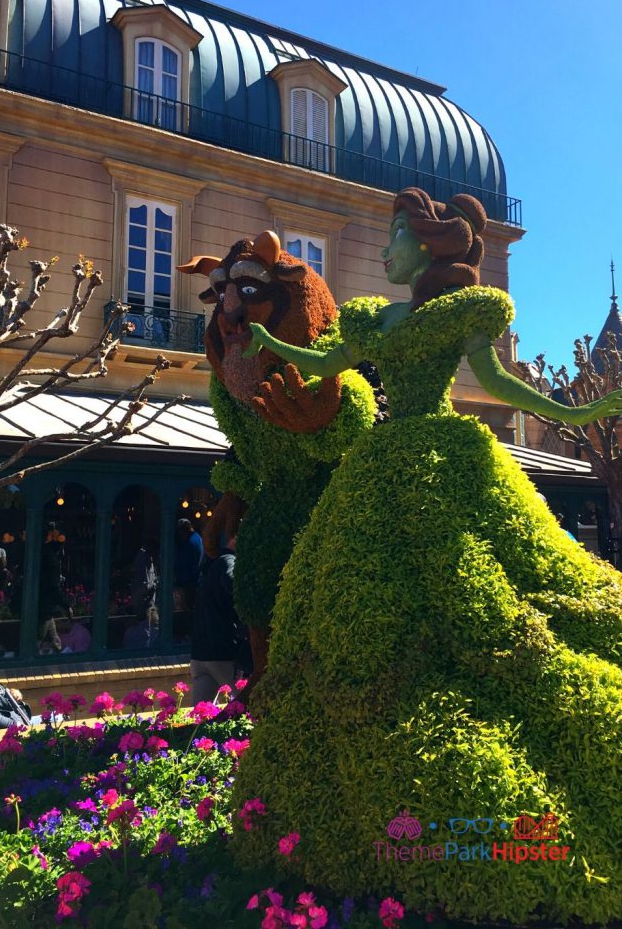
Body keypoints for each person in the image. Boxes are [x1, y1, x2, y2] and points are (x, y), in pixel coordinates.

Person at [235, 188, 622, 919]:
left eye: (393, 239)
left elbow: (500, 382)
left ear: (428, 247)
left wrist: (574, 411)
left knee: (479, 584)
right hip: (383, 460)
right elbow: (325, 360)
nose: (383, 252)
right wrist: (264, 342)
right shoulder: (374, 317)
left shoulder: (463, 312)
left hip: (442, 457)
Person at [190, 535, 244, 702]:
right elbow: (233, 584)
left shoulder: (209, 568)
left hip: (200, 653)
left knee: (200, 716)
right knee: (244, 705)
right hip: (222, 651)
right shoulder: (229, 561)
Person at [173, 518, 203, 636]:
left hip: (190, 582)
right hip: (193, 581)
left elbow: (185, 564)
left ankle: (191, 634)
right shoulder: (197, 539)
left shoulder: (190, 542)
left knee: (189, 610)